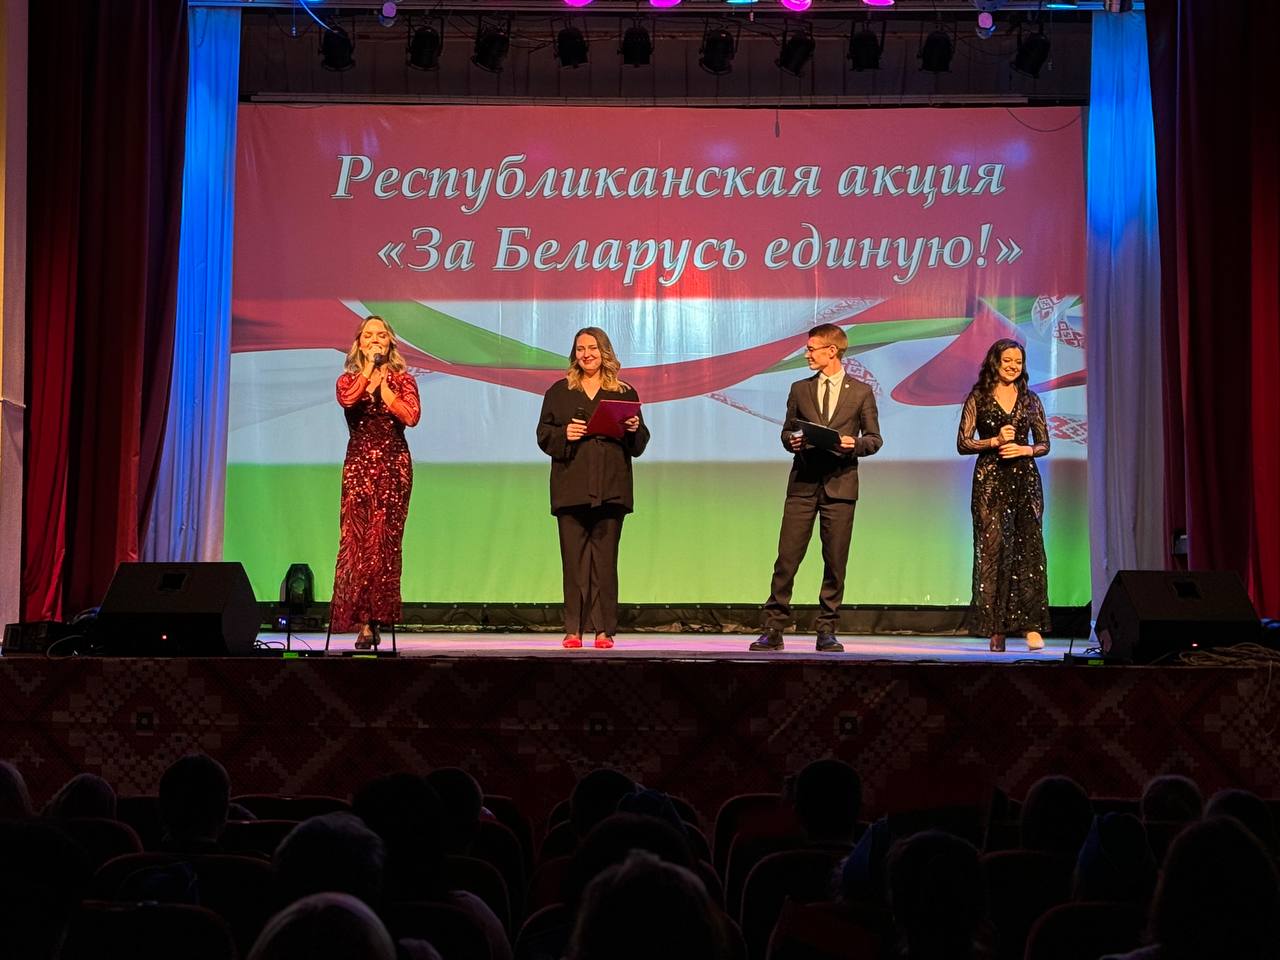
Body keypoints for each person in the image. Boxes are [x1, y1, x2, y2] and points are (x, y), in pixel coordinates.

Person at [752, 323, 883, 653]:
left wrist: (854, 444)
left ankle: (827, 629)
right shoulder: (800, 389)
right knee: (787, 558)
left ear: (832, 351)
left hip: (841, 486)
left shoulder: (861, 392)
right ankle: (773, 627)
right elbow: (787, 433)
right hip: (803, 484)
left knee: (835, 561)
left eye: (812, 349)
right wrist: (792, 441)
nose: (807, 354)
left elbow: (874, 439)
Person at [537, 327, 649, 650]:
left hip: (611, 489)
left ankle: (604, 630)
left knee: (605, 563)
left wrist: (633, 428)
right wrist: (565, 434)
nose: (586, 354)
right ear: (574, 354)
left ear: (604, 352)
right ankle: (573, 629)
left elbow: (640, 443)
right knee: (573, 563)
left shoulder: (624, 392)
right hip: (571, 488)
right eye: (580, 349)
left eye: (592, 348)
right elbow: (543, 435)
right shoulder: (559, 392)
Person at [331, 315, 421, 649]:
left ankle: (377, 618)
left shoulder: (404, 380)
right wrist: (369, 370)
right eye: (368, 335)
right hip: (359, 468)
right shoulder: (347, 379)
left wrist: (386, 390)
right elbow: (348, 399)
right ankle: (362, 621)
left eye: (380, 335)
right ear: (359, 343)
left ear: (390, 342)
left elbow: (412, 416)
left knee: (383, 543)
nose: (374, 340)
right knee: (357, 543)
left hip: (393, 468)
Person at [956, 338, 1050, 653]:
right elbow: (963, 442)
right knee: (993, 553)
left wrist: (1025, 449)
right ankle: (996, 628)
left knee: (1028, 552)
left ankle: (1031, 627)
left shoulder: (1030, 399)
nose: (1013, 366)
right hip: (990, 482)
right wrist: (994, 441)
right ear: (995, 362)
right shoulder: (979, 397)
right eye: (1007, 360)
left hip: (1025, 481)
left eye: (1018, 362)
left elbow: (1044, 443)